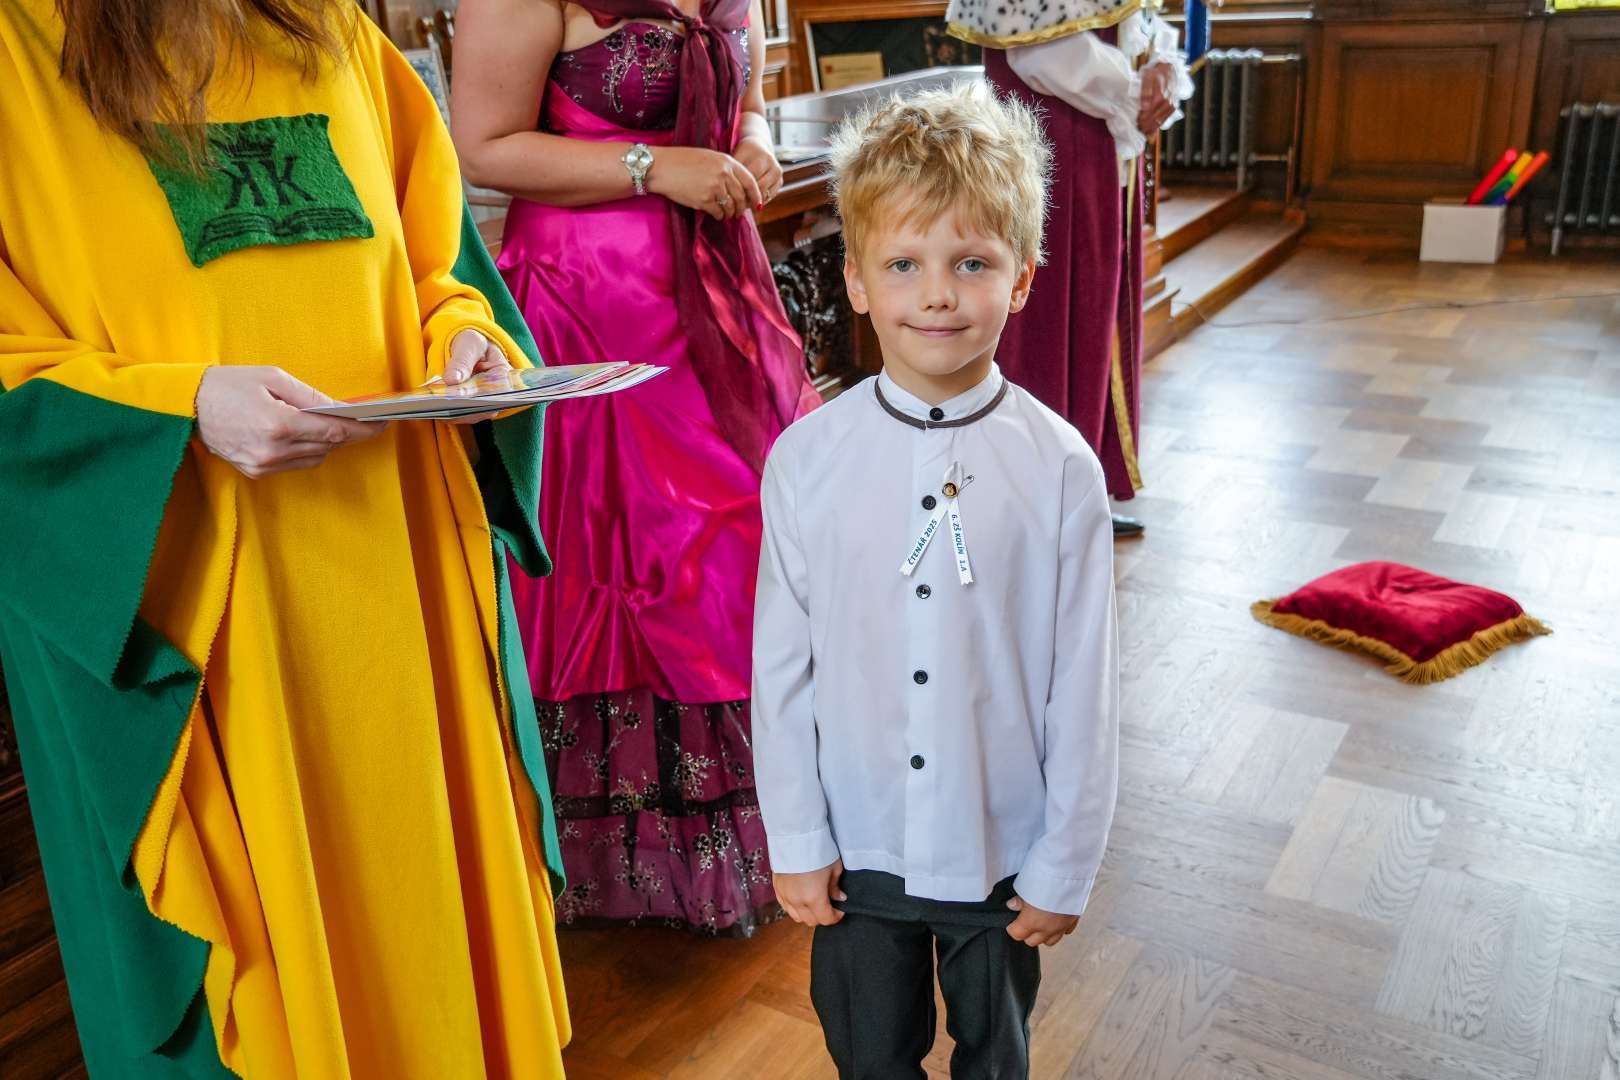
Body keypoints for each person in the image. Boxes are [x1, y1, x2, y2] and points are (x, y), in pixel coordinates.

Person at [0, 1, 570, 1074]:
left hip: (400, 585)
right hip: (207, 618)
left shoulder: (332, 28)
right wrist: (181, 411)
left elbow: (435, 261)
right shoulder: (17, 52)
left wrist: (467, 337)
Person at [753, 84, 1121, 1078]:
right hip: (859, 840)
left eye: (972, 263)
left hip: (1000, 843)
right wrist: (796, 835)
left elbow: (1083, 684)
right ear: (857, 281)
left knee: (995, 1057)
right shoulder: (806, 460)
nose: (938, 296)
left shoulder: (1060, 469)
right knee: (868, 1055)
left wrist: (1064, 861)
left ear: (1022, 277)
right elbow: (780, 671)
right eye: (904, 264)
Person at [452, 0, 820, 934]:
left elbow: (746, 102)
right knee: (639, 557)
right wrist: (654, 167)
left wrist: (753, 143)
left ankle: (776, 827)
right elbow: (482, 146)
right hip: (590, 306)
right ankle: (612, 851)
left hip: (718, 290)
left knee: (742, 542)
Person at [947, 0, 1196, 538]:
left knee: (1092, 319)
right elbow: (1039, 47)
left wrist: (1162, 65)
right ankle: (1030, 506)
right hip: (1052, 144)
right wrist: (1137, 89)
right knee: (1046, 325)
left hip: (1100, 141)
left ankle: (1078, 493)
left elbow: (1135, 18)